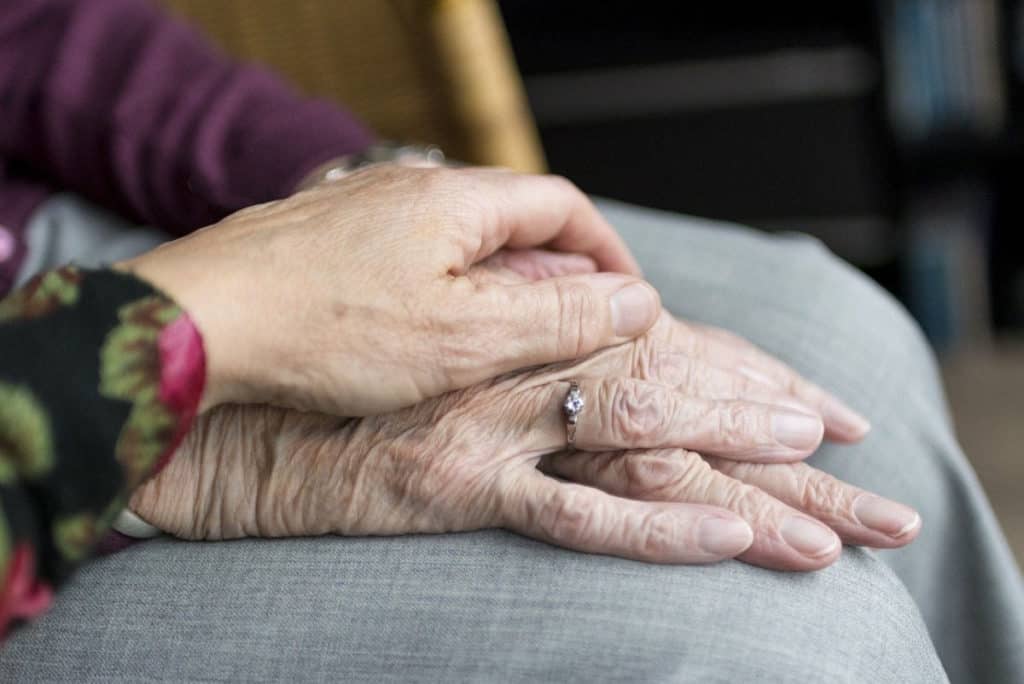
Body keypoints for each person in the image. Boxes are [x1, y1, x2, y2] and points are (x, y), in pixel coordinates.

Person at [0, 1, 1021, 681]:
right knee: (789, 639)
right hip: (37, 459)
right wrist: (192, 405)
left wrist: (346, 192)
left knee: (836, 340)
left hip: (59, 237)